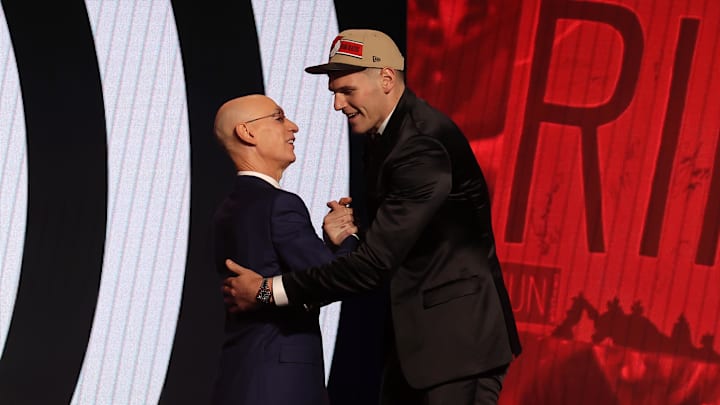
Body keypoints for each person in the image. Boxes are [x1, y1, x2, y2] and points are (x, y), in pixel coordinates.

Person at [222, 30, 522, 405]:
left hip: (457, 346)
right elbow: (406, 237)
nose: (337, 104)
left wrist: (268, 290)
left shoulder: (420, 146)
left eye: (346, 91)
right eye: (334, 92)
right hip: (417, 344)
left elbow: (375, 265)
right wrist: (350, 235)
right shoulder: (385, 137)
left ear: (386, 78)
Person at [211, 94, 359, 405]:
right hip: (282, 385)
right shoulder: (280, 204)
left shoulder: (230, 208)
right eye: (278, 118)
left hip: (241, 377)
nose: (293, 127)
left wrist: (328, 243)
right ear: (246, 132)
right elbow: (332, 281)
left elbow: (296, 279)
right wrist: (349, 238)